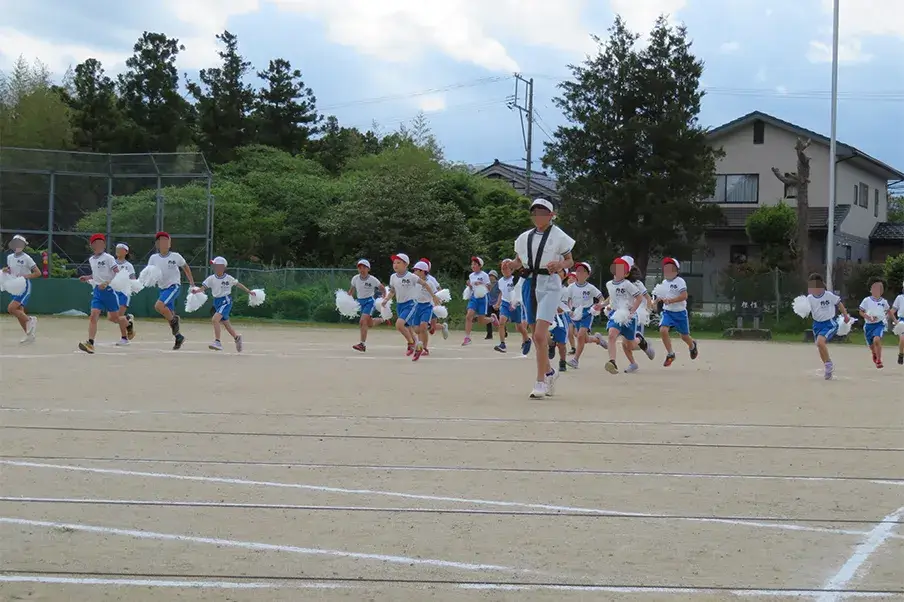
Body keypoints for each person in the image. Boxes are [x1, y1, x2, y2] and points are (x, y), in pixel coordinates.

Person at [510, 198, 575, 398]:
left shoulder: (559, 236)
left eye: (543, 212)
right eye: (535, 212)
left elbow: (570, 259)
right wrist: (511, 265)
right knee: (535, 333)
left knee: (539, 335)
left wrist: (560, 265)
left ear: (551, 215)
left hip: (550, 285)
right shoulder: (523, 238)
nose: (538, 216)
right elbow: (519, 260)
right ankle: (549, 372)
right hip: (529, 283)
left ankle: (540, 382)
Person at [77, 234, 130, 353]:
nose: (99, 245)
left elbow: (117, 273)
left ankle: (128, 322)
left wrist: (106, 283)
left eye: (101, 243)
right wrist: (87, 277)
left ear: (104, 245)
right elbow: (96, 275)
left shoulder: (109, 258)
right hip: (97, 291)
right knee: (93, 315)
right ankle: (90, 343)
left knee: (115, 318)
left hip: (109, 291)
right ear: (92, 246)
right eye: (96, 243)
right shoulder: (91, 259)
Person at [193, 256, 255, 352]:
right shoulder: (211, 278)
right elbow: (203, 288)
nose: (214, 267)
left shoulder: (228, 278)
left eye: (216, 265)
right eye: (214, 265)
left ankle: (217, 342)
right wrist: (196, 291)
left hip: (226, 301)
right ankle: (236, 337)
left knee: (215, 320)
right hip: (217, 302)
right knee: (226, 323)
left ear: (222, 267)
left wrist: (249, 291)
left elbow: (238, 284)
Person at [147, 231, 196, 350]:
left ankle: (175, 320)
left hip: (174, 286)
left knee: (159, 306)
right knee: (169, 316)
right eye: (160, 241)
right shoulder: (153, 258)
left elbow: (185, 266)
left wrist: (191, 282)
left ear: (170, 243)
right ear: (157, 244)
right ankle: (178, 337)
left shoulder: (175, 256)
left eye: (166, 240)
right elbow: (149, 272)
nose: (163, 243)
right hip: (162, 289)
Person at [603, 256, 645, 374]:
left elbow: (639, 297)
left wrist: (632, 311)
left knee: (630, 344)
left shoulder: (627, 284)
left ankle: (639, 340)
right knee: (611, 335)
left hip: (628, 317)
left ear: (626, 274)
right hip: (616, 314)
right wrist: (601, 305)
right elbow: (612, 298)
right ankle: (612, 361)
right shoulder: (609, 284)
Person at [805, 273, 851, 379]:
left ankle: (829, 364)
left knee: (820, 342)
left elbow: (839, 303)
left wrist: (845, 315)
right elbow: (806, 309)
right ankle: (827, 366)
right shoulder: (810, 298)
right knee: (819, 345)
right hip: (817, 324)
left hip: (829, 323)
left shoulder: (828, 295)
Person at [657, 257, 699, 366]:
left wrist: (671, 300)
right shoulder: (664, 282)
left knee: (684, 336)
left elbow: (684, 296)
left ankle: (692, 345)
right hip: (668, 312)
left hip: (680, 313)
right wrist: (655, 301)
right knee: (663, 330)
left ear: (676, 271)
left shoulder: (680, 281)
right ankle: (670, 354)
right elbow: (660, 295)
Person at [381, 253, 423, 356]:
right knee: (408, 328)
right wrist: (386, 299)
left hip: (410, 304)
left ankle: (411, 344)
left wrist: (434, 296)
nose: (395, 265)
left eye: (398, 262)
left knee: (399, 324)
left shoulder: (411, 276)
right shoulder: (393, 277)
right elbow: (392, 291)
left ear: (406, 264)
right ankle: (418, 345)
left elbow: (424, 284)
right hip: (400, 305)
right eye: (394, 263)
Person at [564, 262, 603, 369]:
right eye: (578, 271)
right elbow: (567, 300)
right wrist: (569, 310)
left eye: (582, 271)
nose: (579, 273)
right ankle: (597, 339)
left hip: (587, 313)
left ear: (587, 274)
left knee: (580, 335)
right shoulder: (571, 287)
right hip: (575, 313)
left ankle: (575, 360)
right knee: (583, 339)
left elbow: (601, 297)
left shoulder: (590, 288)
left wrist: (597, 306)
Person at [3, 234, 41, 343]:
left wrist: (24, 276)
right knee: (19, 311)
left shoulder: (27, 258)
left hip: (24, 285)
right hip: (15, 286)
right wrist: (7, 270)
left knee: (11, 308)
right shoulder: (9, 257)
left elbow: (38, 273)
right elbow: (11, 270)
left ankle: (30, 320)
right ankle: (29, 335)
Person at [494, 259, 531, 356]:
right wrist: (498, 303)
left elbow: (519, 292)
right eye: (502, 268)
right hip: (505, 303)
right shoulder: (500, 281)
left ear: (511, 269)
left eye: (506, 268)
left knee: (519, 327)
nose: (504, 270)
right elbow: (501, 293)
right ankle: (502, 344)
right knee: (502, 321)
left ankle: (527, 339)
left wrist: (515, 302)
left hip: (515, 305)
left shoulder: (516, 279)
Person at [349, 259, 386, 352]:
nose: (362, 269)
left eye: (364, 267)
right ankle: (382, 319)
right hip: (360, 302)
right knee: (369, 323)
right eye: (360, 267)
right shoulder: (355, 278)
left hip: (369, 302)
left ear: (368, 269)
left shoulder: (372, 279)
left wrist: (384, 298)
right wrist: (347, 299)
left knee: (362, 322)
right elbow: (351, 290)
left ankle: (362, 344)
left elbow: (382, 288)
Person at [409, 260, 442, 361]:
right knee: (416, 329)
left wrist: (436, 300)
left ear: (423, 271)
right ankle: (420, 344)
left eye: (416, 271)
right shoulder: (415, 281)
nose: (414, 273)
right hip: (417, 306)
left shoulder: (430, 283)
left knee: (423, 327)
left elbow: (436, 294)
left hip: (427, 307)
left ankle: (423, 347)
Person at [462, 256, 498, 346]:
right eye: (472, 264)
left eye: (475, 264)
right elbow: (471, 287)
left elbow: (489, 288)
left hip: (483, 298)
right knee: (468, 316)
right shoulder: (471, 275)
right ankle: (467, 337)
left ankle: (492, 319)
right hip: (474, 298)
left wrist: (481, 284)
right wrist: (469, 285)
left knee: (481, 321)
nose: (473, 266)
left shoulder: (484, 275)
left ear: (480, 265)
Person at [859, 278, 890, 369]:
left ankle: (879, 360)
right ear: (871, 290)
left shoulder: (884, 302)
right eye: (875, 288)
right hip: (868, 326)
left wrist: (894, 320)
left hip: (878, 324)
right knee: (872, 345)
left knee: (876, 340)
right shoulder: (866, 300)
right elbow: (861, 311)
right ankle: (874, 353)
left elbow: (888, 311)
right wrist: (867, 317)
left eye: (879, 289)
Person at [113, 243, 137, 340]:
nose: (118, 250)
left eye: (120, 249)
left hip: (124, 293)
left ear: (126, 252)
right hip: (113, 292)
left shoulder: (128, 265)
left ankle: (124, 338)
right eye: (117, 248)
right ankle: (128, 322)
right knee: (112, 318)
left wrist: (132, 284)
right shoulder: (112, 263)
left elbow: (133, 278)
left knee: (119, 316)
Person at [891, 283, 904, 366]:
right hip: (902, 321)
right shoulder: (900, 298)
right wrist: (895, 320)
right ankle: (901, 354)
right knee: (902, 339)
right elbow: (893, 310)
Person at [486, 269, 501, 340]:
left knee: (499, 318)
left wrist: (498, 304)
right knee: (488, 318)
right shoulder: (487, 284)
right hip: (489, 303)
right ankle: (489, 334)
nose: (490, 277)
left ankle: (504, 331)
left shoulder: (498, 284)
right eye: (489, 276)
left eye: (492, 276)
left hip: (497, 303)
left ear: (495, 277)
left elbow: (501, 293)